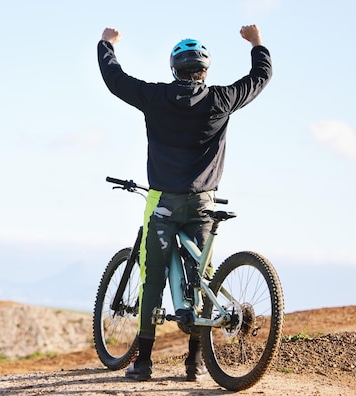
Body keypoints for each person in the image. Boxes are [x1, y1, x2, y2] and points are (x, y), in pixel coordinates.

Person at [97, 25, 272, 382]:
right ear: (204, 72)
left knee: (151, 280)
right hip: (203, 204)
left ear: (174, 69)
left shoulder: (156, 98)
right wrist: (256, 43)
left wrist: (106, 45)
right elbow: (260, 76)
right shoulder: (221, 100)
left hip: (163, 203)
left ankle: (143, 363)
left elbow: (116, 80)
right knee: (200, 278)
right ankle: (193, 364)